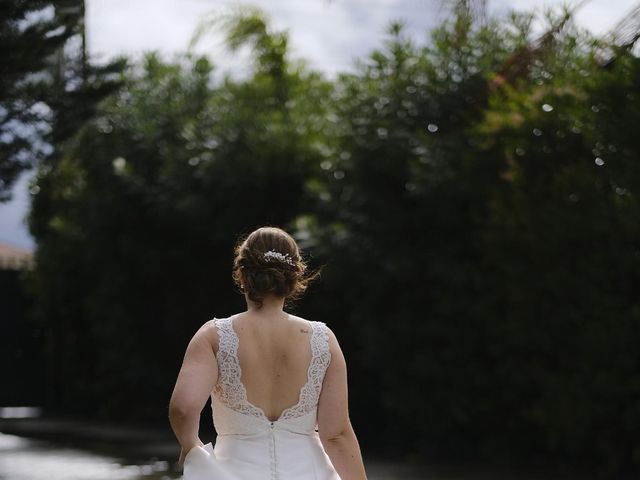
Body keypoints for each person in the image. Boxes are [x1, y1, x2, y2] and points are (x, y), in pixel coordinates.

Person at [169, 226, 367, 480]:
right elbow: (336, 434)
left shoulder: (214, 336)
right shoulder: (323, 340)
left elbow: (183, 409)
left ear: (242, 275)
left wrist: (190, 447)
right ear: (295, 277)